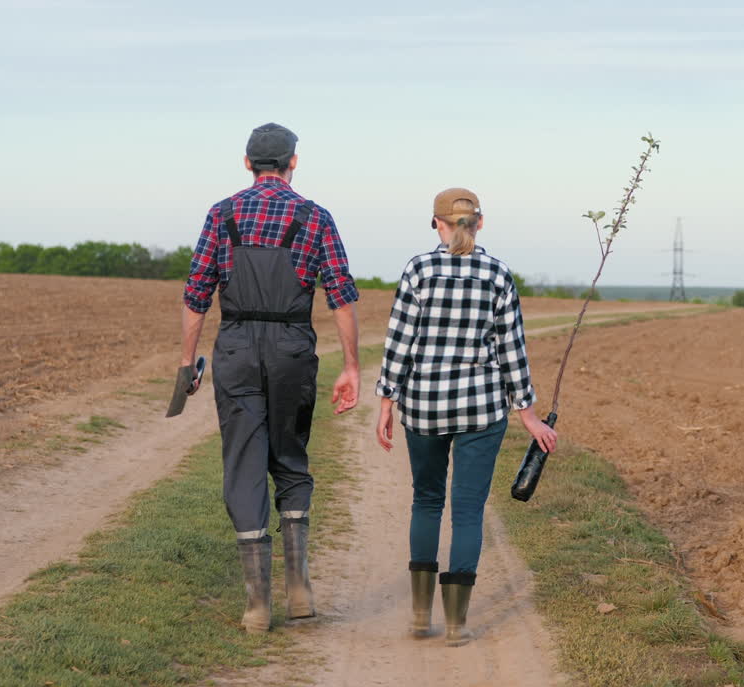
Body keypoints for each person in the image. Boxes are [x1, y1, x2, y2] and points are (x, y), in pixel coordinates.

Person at [179, 123, 361, 634]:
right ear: (292, 162)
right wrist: (351, 366)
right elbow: (341, 296)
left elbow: (196, 294)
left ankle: (258, 605)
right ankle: (299, 590)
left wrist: (188, 363)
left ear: (247, 163)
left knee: (244, 462)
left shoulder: (222, 214)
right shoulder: (315, 217)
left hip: (236, 347)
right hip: (292, 349)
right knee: (291, 457)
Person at [375, 187, 558, 646]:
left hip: (424, 406)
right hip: (481, 408)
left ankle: (421, 617)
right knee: (468, 510)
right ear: (480, 223)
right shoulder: (497, 274)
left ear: (436, 224)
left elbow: (399, 342)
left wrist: (386, 402)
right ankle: (456, 623)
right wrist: (528, 415)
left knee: (426, 501)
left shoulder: (418, 269)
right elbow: (512, 349)